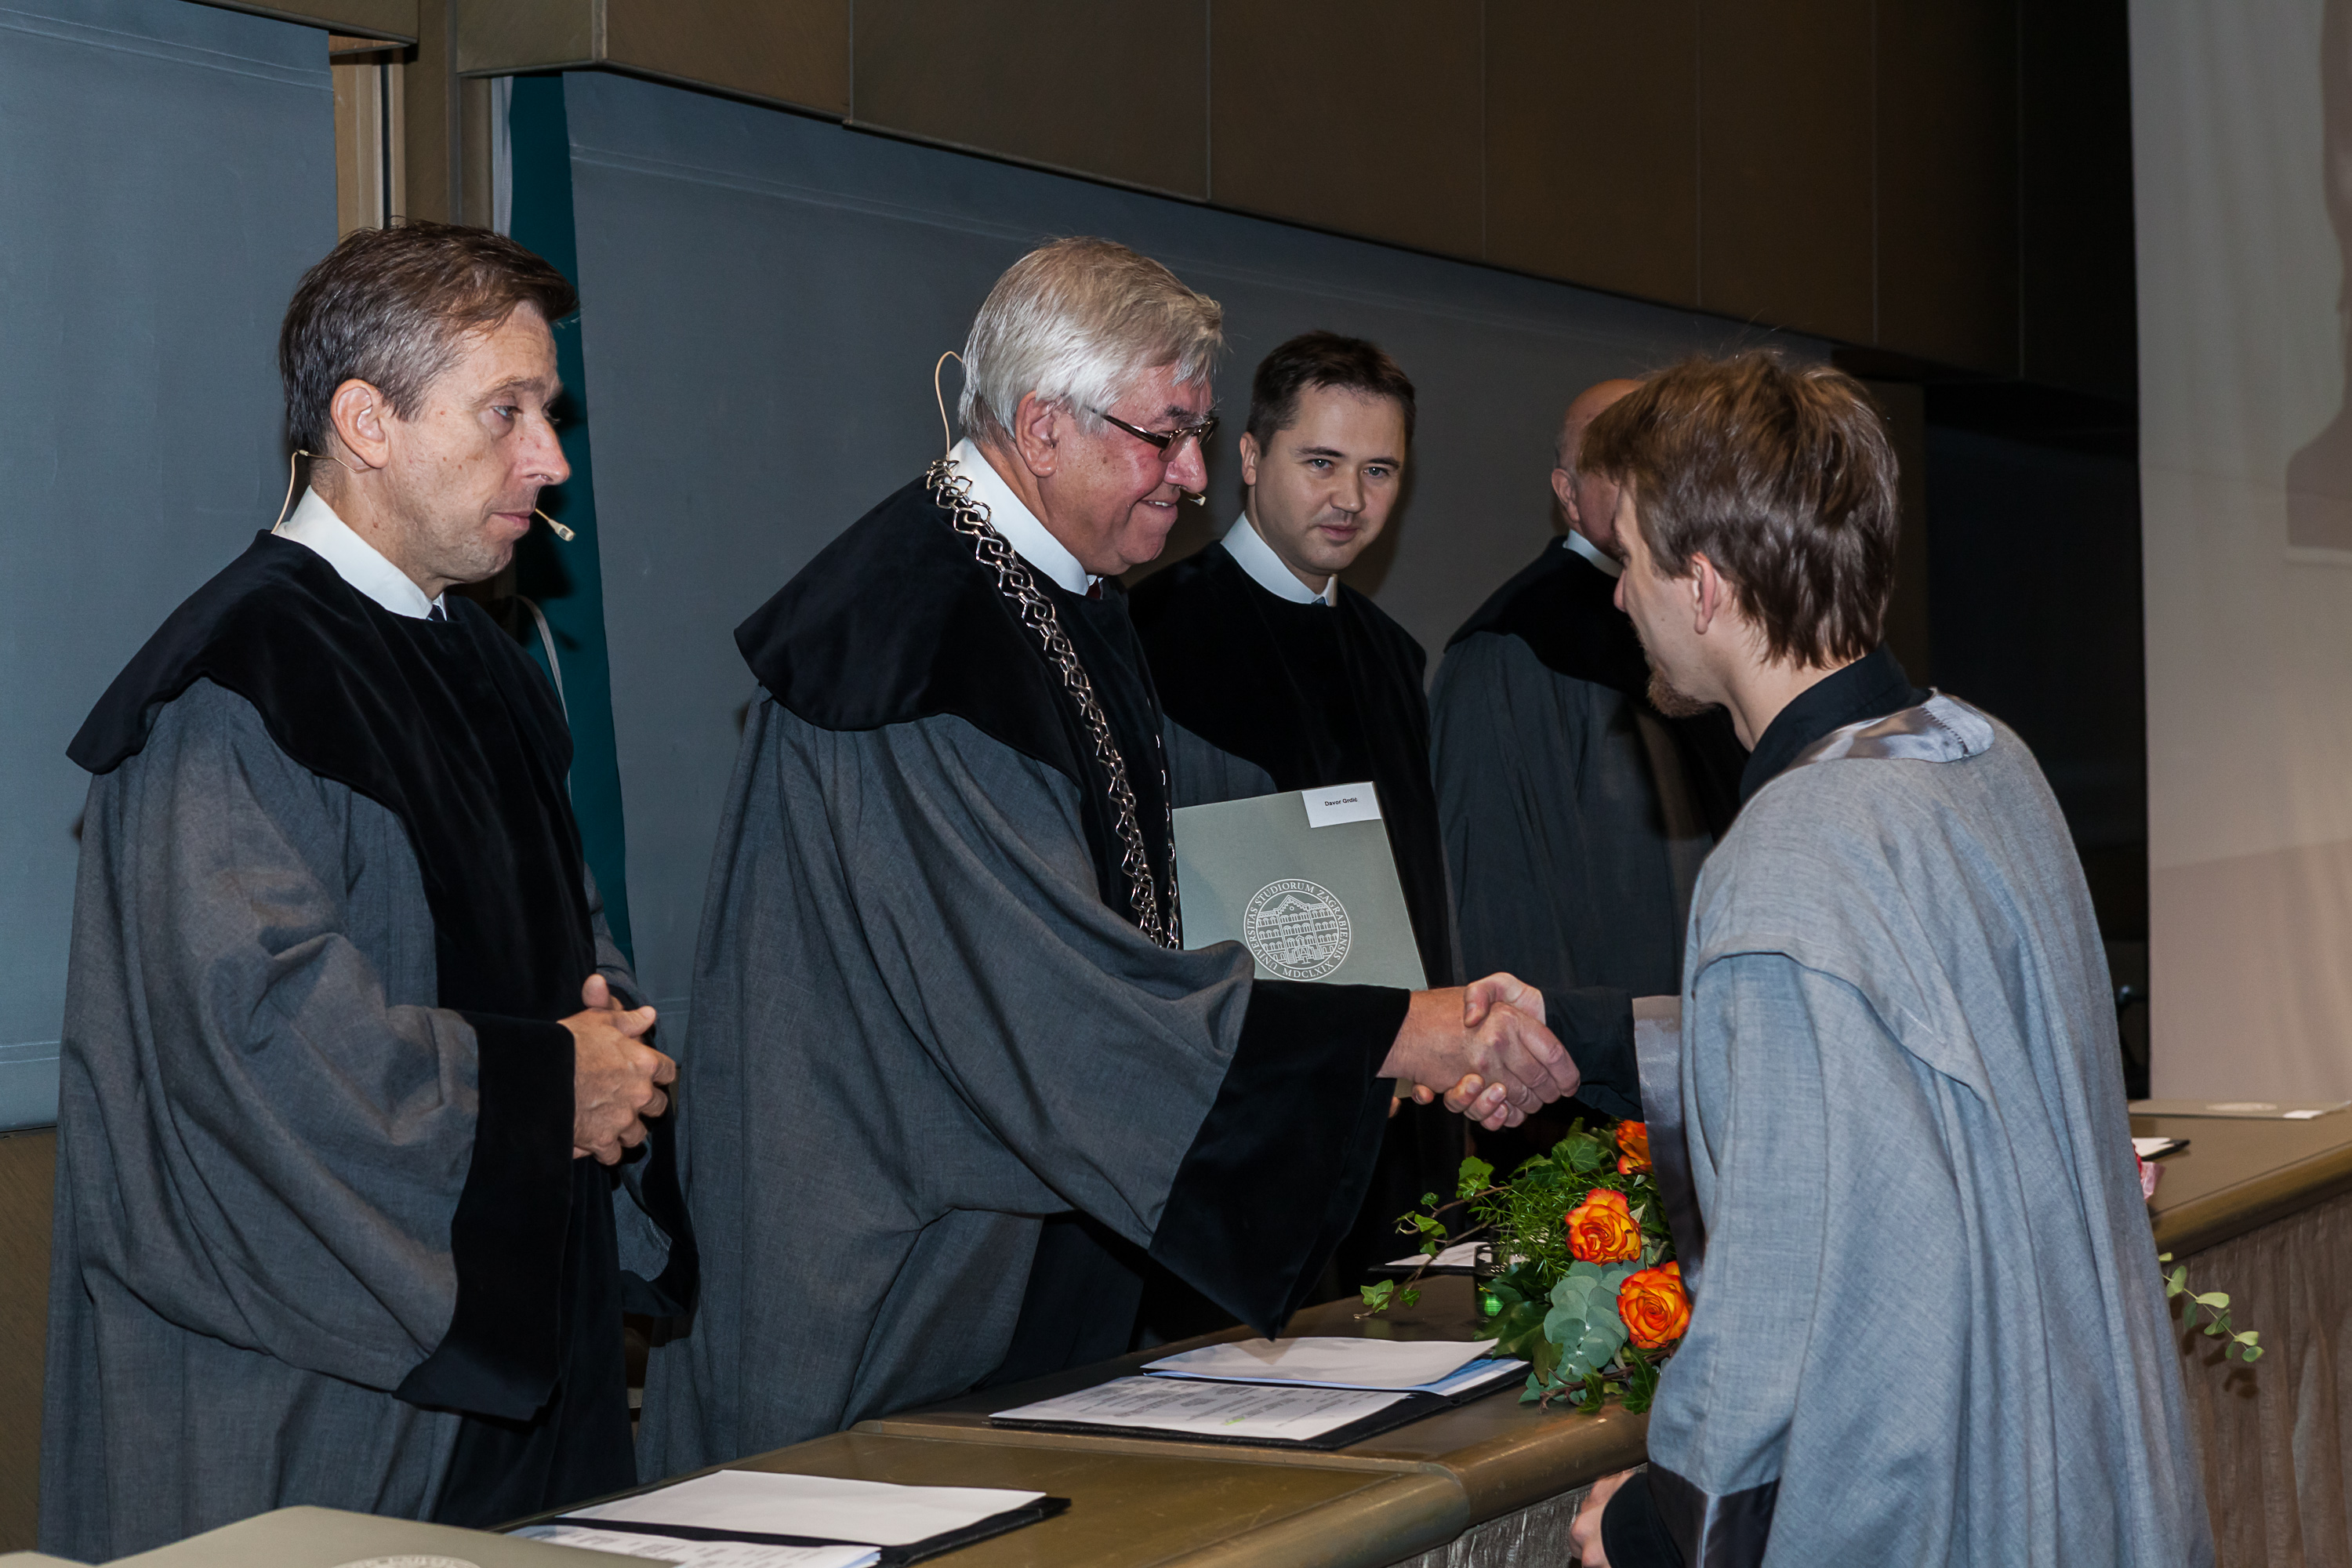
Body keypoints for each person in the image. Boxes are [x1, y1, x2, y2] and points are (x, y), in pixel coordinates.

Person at [639, 238, 1588, 1474]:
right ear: (1043, 426)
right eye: (1165, 436)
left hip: (1002, 1245)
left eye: (1198, 435)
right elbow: (1053, 1002)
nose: (1193, 477)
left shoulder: (1055, 594)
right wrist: (1397, 1031)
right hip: (884, 1270)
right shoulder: (917, 645)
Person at [40, 223, 693, 1559]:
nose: (551, 460)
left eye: (550, 414)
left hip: (525, 1318)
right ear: (366, 422)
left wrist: (613, 1053)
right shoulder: (238, 681)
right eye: (507, 412)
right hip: (326, 1372)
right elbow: (259, 1041)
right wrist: (548, 1088)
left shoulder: (486, 657)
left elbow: (569, 933)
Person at [1563, 354, 2209, 1566]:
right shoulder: (1984, 756)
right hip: (2069, 1457)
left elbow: (1798, 1294)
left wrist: (1652, 1525)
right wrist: (1585, 1036)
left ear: (1703, 587)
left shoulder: (1790, 855)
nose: (1619, 598)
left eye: (1632, 560)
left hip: (1953, 1503)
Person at [1130, 331, 1461, 1293]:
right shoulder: (1154, 635)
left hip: (1394, 1108)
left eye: (1379, 470)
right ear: (1248, 457)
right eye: (1321, 461)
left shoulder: (1391, 654)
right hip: (1246, 1120)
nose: (1350, 497)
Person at [1429, 379, 1744, 1163]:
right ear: (1567, 495)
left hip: (1720, 1055)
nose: (1646, 479)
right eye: (1620, 460)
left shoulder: (1715, 632)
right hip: (1593, 1101)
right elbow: (1494, 890)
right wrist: (1542, 1071)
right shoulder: (1513, 648)